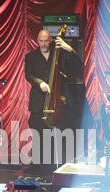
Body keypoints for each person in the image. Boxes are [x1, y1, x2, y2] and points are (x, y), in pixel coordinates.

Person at [24, 29, 92, 170]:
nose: (43, 44)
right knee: (39, 135)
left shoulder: (60, 54)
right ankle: (39, 167)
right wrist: (40, 83)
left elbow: (78, 68)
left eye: (46, 41)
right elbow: (28, 75)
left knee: (61, 136)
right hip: (38, 102)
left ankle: (58, 168)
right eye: (41, 41)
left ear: (51, 40)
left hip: (57, 102)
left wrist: (70, 49)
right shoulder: (30, 56)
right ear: (37, 41)